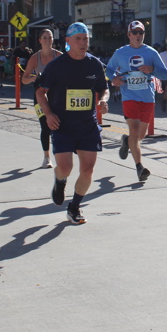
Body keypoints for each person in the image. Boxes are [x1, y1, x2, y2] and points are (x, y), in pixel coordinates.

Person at [34, 22, 110, 225]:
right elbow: (40, 92)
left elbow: (103, 88)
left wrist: (103, 100)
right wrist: (48, 114)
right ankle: (59, 180)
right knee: (65, 168)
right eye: (78, 39)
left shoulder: (94, 64)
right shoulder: (56, 66)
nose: (83, 43)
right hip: (62, 125)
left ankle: (74, 207)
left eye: (86, 39)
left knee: (88, 169)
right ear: (68, 41)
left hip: (87, 125)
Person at [105, 20, 167, 182]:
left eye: (141, 32)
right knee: (134, 129)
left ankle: (126, 141)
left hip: (147, 97)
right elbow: (109, 70)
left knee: (141, 135)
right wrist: (114, 79)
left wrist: (152, 69)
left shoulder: (151, 53)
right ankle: (139, 167)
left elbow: (164, 75)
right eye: (135, 32)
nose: (138, 35)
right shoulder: (120, 53)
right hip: (129, 96)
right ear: (129, 35)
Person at [21, 28, 62, 168]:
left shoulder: (59, 56)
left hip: (56, 96)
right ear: (40, 40)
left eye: (50, 37)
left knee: (58, 125)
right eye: (44, 38)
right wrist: (32, 78)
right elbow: (24, 78)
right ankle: (46, 157)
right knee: (45, 126)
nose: (47, 40)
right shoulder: (35, 58)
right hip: (39, 95)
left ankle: (60, 155)